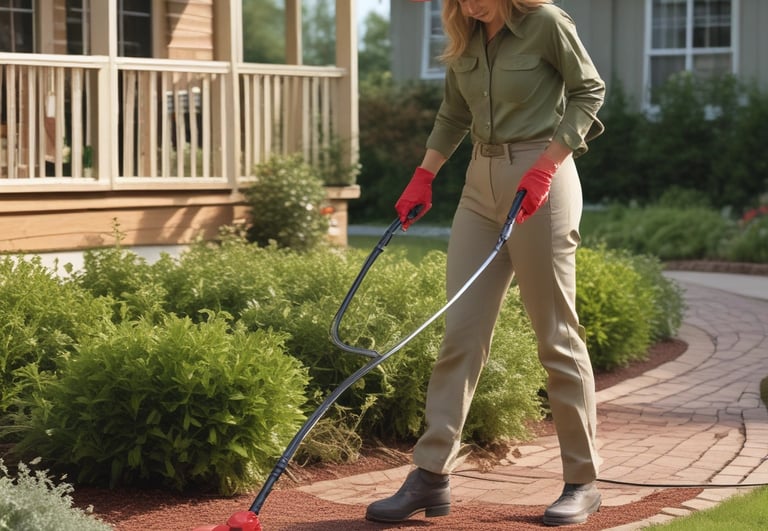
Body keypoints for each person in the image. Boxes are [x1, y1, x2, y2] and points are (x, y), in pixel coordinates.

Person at [365, 0, 605, 526]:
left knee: (556, 335)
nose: (469, 3)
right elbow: (454, 113)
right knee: (461, 334)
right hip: (480, 183)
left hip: (541, 176)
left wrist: (547, 166)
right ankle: (431, 475)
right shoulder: (465, 36)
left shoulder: (545, 23)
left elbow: (589, 91)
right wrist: (424, 174)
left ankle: (582, 481)